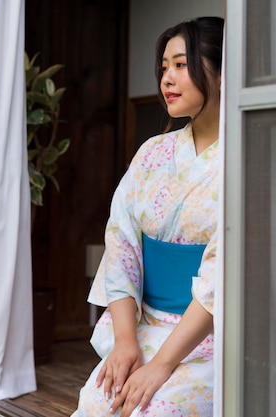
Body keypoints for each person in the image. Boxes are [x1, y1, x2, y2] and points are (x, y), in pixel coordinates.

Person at [72, 16, 224, 417]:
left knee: (155, 408)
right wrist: (125, 341)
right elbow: (121, 244)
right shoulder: (152, 152)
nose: (167, 79)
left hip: (208, 337)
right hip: (143, 326)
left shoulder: (244, 157)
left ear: (223, 73)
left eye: (180, 64)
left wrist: (160, 366)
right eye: (163, 69)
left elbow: (220, 280)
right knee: (96, 401)